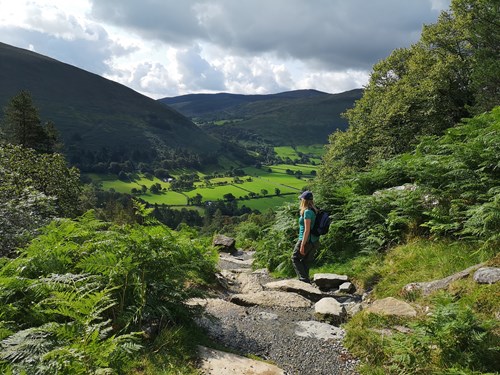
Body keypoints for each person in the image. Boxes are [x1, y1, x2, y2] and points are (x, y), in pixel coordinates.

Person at [291, 190, 320, 284]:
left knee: (295, 258)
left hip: (306, 240)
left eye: (301, 199)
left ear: (304, 201)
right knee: (305, 261)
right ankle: (306, 280)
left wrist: (302, 244)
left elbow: (307, 230)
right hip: (314, 241)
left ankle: (304, 280)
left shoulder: (307, 212)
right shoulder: (315, 211)